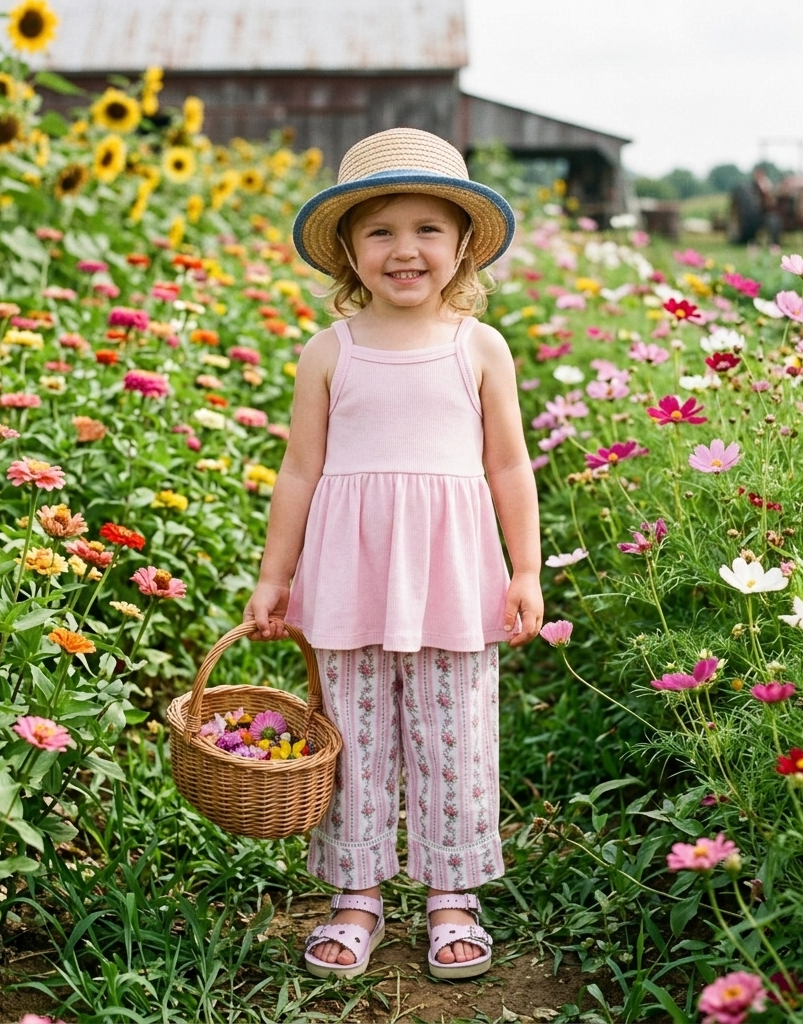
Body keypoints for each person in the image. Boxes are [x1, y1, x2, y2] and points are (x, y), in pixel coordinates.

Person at [241, 127, 544, 981]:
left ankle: (454, 893)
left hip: (451, 575)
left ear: (460, 245)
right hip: (349, 574)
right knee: (355, 735)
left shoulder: (477, 346)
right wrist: (275, 577)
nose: (404, 250)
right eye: (380, 231)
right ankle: (356, 893)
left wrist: (525, 569)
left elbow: (508, 464)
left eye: (426, 230)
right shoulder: (328, 351)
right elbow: (299, 471)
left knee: (455, 736)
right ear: (348, 249)